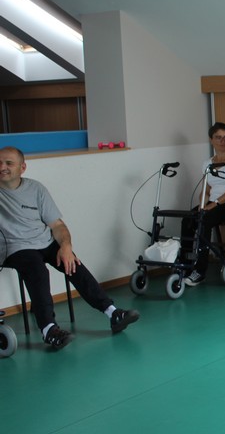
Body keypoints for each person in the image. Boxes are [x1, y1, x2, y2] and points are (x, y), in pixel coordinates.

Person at [0, 146, 139, 349]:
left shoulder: (36, 189)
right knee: (37, 270)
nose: (2, 167)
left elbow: (57, 225)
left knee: (73, 263)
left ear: (22, 168)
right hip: (14, 247)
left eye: (8, 163)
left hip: (44, 241)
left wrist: (65, 247)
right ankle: (49, 330)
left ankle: (112, 313)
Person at [181, 122, 225, 286]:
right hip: (213, 204)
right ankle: (185, 265)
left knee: (204, 220)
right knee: (188, 219)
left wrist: (215, 203)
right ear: (211, 140)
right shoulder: (207, 163)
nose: (222, 141)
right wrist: (202, 204)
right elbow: (206, 189)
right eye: (218, 137)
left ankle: (200, 271)